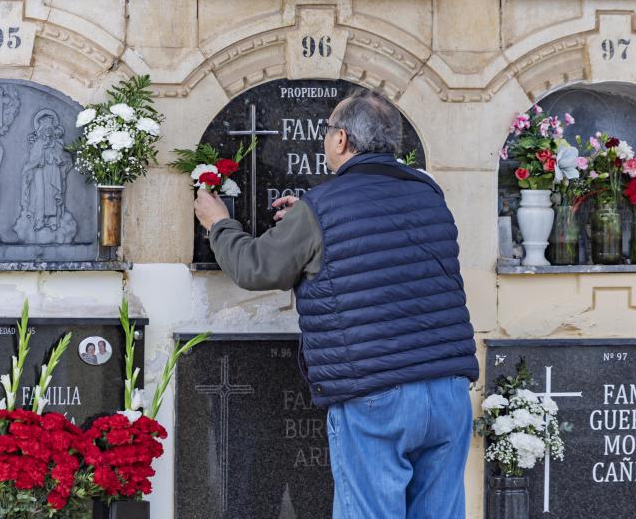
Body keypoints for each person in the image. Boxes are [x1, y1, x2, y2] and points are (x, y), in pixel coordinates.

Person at [194, 89, 478, 519]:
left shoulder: (322, 209)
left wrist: (219, 223)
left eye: (327, 131)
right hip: (447, 391)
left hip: (376, 395)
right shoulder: (429, 197)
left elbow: (255, 268)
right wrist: (310, 216)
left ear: (341, 139)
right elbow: (378, 245)